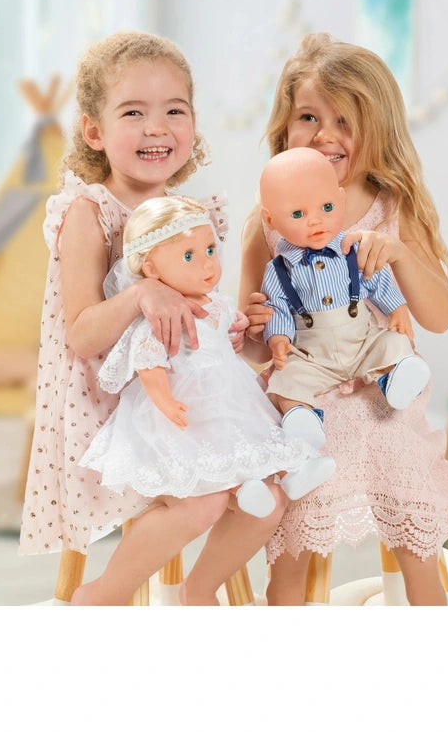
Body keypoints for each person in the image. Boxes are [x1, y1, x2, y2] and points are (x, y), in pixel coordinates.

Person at [19, 29, 286, 606]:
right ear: (94, 131)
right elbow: (81, 332)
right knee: (204, 501)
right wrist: (144, 293)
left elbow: (195, 319)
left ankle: (198, 590)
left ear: (193, 123)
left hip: (187, 397)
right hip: (112, 404)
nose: (157, 128)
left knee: (272, 493)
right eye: (133, 112)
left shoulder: (190, 214)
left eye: (174, 111)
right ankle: (103, 595)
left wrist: (233, 331)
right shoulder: (90, 212)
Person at [238, 32, 448, 606]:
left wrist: (401, 256)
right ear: (285, 128)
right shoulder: (267, 224)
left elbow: (439, 316)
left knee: (409, 499)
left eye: (345, 120)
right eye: (308, 117)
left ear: (377, 128)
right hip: (308, 400)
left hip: (381, 393)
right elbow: (256, 351)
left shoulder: (394, 208)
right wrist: (257, 329)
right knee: (296, 516)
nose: (326, 135)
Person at [79, 194, 335, 519]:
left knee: (254, 433)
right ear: (151, 268)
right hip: (190, 392)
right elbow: (149, 361)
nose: (208, 264)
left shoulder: (217, 302)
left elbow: (226, 331)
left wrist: (239, 328)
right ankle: (240, 487)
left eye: (211, 250)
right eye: (189, 256)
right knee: (211, 443)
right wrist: (165, 401)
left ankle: (293, 473)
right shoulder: (163, 315)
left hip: (232, 387)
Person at [258, 146, 431, 447]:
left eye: (326, 207)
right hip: (313, 356)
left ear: (340, 200)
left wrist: (398, 308)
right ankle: (303, 418)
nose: (316, 221)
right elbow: (276, 306)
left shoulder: (352, 249)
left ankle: (396, 380)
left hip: (362, 342)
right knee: (286, 379)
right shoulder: (278, 269)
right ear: (270, 219)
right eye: (298, 214)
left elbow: (377, 279)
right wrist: (278, 338)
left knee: (393, 342)